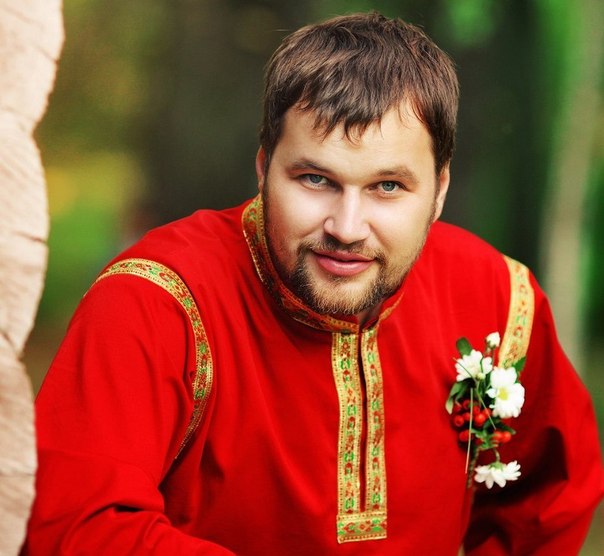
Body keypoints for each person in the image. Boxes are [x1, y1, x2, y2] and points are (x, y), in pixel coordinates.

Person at [23, 12, 602, 556]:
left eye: (388, 187)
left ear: (439, 190)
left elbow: (553, 498)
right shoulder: (154, 299)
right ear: (263, 168)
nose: (346, 228)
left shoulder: (495, 293)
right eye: (315, 179)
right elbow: (77, 525)